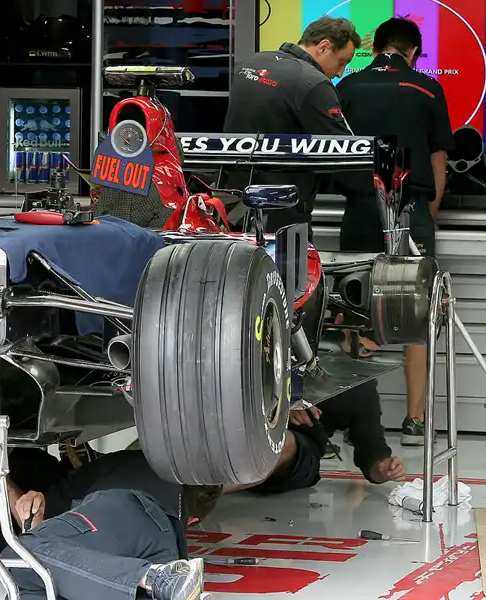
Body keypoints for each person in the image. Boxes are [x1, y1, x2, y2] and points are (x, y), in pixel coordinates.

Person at [336, 17, 454, 446]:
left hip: (361, 208)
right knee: (416, 314)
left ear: (375, 48)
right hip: (412, 207)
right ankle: (415, 420)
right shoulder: (428, 88)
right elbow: (439, 157)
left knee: (350, 308)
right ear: (414, 53)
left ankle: (353, 422)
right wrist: (429, 209)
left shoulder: (346, 88)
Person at [0, 448, 211, 600]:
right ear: (192, 520)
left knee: (20, 559)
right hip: (156, 550)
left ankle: (158, 578)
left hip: (130, 521)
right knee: (23, 571)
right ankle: (159, 578)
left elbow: (39, 531)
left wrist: (6, 483)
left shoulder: (123, 463)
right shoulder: (150, 472)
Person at [223, 16, 362, 235]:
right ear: (324, 47)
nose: (340, 73)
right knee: (291, 270)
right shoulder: (314, 84)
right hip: (282, 215)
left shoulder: (251, 64)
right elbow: (346, 154)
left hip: (232, 207)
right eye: (342, 62)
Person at [223, 386, 407, 496]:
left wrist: (383, 468)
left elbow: (371, 449)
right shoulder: (280, 345)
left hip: (298, 450)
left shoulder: (360, 385)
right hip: (239, 425)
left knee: (282, 443)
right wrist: (284, 404)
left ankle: (203, 495)